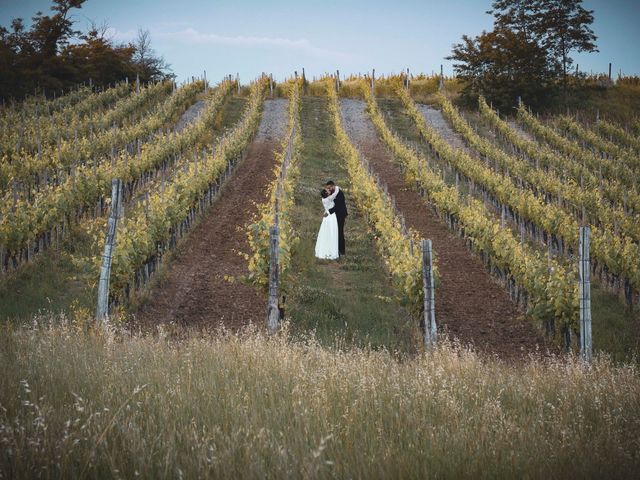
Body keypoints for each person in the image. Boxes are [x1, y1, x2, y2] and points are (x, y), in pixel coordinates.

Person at [315, 186, 339, 260]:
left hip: (326, 217)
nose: (329, 190)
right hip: (331, 217)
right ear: (326, 193)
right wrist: (337, 187)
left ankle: (325, 249)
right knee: (331, 233)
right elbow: (336, 193)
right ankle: (331, 251)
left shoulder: (323, 199)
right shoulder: (329, 198)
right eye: (327, 190)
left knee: (325, 233)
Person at [324, 180, 347, 256]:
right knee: (336, 232)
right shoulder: (334, 193)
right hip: (337, 215)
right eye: (328, 188)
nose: (329, 189)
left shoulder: (339, 193)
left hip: (340, 215)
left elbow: (337, 207)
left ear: (333, 186)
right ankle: (337, 250)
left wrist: (328, 212)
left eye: (330, 187)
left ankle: (342, 251)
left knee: (340, 232)